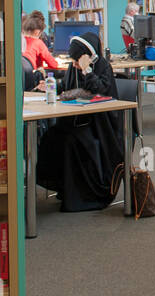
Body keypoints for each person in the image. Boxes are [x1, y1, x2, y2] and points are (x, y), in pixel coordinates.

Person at [35, 27, 125, 212]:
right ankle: (63, 187)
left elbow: (99, 89)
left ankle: (80, 195)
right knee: (51, 137)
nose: (74, 64)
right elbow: (69, 86)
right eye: (73, 61)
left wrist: (87, 69)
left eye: (77, 60)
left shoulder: (102, 67)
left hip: (97, 125)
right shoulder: (72, 66)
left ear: (88, 57)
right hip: (75, 119)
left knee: (70, 142)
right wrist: (53, 87)